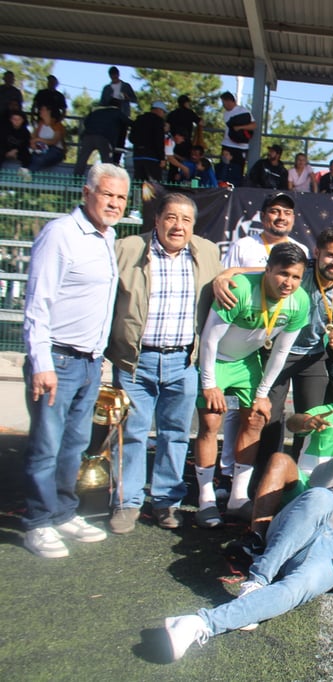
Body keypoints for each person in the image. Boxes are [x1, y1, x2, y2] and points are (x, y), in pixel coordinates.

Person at [162, 426, 333, 661]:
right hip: (304, 527)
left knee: (294, 590)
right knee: (322, 498)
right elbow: (316, 484)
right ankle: (258, 580)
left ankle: (198, 623)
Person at [21, 163, 129, 558]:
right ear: (87, 194)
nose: (114, 203)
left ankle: (63, 511)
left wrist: (98, 356)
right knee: (46, 446)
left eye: (120, 197)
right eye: (107, 195)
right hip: (57, 362)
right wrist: (41, 362)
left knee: (74, 445)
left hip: (87, 363)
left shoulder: (107, 236)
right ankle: (37, 521)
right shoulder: (60, 235)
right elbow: (38, 304)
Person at [104, 193, 222, 533]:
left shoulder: (208, 253)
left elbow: (230, 280)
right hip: (135, 361)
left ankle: (166, 501)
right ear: (156, 220)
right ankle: (126, 502)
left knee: (175, 434)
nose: (178, 226)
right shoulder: (127, 250)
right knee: (131, 433)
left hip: (183, 362)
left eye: (186, 220)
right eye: (171, 217)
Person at [214, 228, 333, 466]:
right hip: (276, 353)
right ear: (317, 253)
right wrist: (229, 272)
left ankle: (299, 476)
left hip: (312, 358)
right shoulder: (299, 273)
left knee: (311, 420)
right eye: (330, 256)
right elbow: (264, 272)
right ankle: (263, 477)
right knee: (267, 417)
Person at [193, 243, 311, 528]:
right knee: (210, 423)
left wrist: (262, 394)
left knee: (256, 420)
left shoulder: (300, 302)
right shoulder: (241, 288)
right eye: (283, 274)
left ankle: (238, 498)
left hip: (247, 363)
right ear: (267, 269)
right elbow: (209, 339)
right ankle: (206, 500)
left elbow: (281, 353)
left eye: (296, 277)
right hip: (217, 359)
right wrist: (210, 384)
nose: (289, 283)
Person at [247, 369, 333, 545]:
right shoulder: (328, 412)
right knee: (279, 460)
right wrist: (307, 422)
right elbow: (293, 423)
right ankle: (256, 537)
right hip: (305, 486)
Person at [74, 102, 131, 177]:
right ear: (119, 106)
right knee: (107, 161)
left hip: (88, 136)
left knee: (82, 159)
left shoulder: (96, 111)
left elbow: (86, 122)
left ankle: (76, 178)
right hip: (104, 138)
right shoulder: (117, 112)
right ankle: (108, 178)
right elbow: (128, 122)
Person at [128, 101, 167, 182]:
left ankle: (137, 195)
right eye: (163, 112)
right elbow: (159, 141)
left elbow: (131, 138)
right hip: (152, 158)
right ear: (159, 110)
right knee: (152, 185)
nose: (163, 115)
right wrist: (162, 158)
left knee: (138, 182)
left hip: (137, 156)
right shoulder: (158, 121)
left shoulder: (139, 119)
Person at [219, 91, 255, 175]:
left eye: (225, 103)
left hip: (240, 146)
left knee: (237, 169)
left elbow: (253, 125)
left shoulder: (243, 111)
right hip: (227, 144)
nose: (224, 105)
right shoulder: (225, 113)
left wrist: (240, 127)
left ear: (230, 101)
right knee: (224, 167)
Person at [28, 104, 66, 172]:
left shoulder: (57, 125)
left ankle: (29, 173)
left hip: (55, 150)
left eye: (43, 109)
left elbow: (54, 141)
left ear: (49, 112)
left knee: (40, 159)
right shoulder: (40, 124)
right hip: (40, 149)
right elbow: (32, 138)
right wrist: (33, 143)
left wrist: (38, 139)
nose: (40, 111)